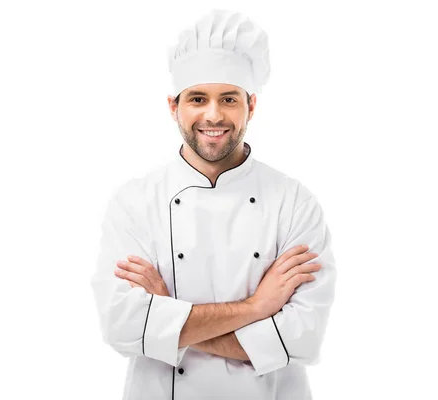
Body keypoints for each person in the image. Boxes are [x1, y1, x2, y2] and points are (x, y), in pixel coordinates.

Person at [90, 9, 337, 400]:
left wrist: (168, 318)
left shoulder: (294, 202)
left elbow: (302, 337)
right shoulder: (134, 203)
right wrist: (257, 308)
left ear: (251, 106)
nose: (213, 115)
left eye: (228, 99)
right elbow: (123, 327)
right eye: (198, 98)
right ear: (174, 107)